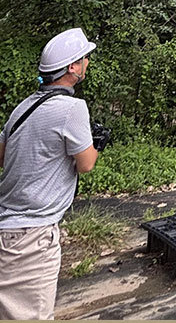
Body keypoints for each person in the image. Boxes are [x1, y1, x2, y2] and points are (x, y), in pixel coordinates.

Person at [0, 28, 107, 320]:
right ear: (73, 67)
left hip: (7, 227)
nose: (88, 62)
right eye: (85, 58)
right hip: (32, 237)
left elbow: (3, 156)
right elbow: (85, 164)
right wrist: (97, 143)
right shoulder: (72, 108)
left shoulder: (22, 108)